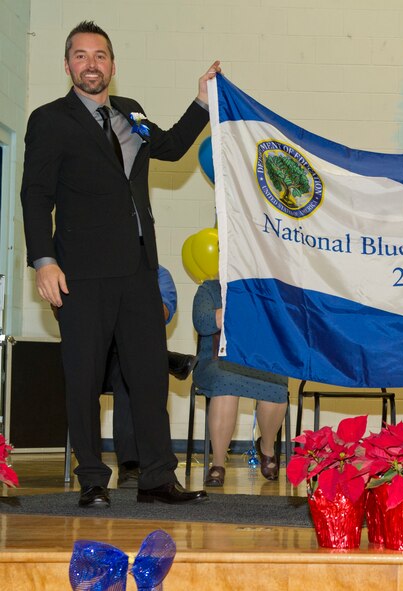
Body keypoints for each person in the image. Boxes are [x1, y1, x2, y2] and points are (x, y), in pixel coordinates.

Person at [20, 20, 220, 508]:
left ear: (113, 64)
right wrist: (43, 260)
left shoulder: (131, 113)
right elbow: (34, 196)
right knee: (84, 378)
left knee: (150, 377)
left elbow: (170, 148)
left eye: (101, 55)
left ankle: (156, 478)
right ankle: (92, 478)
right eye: (82, 56)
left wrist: (201, 101)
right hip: (80, 275)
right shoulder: (49, 120)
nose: (92, 64)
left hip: (138, 272)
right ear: (68, 66)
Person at [192, 280, 290, 487]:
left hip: (258, 360)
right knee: (226, 382)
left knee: (276, 383)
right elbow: (203, 322)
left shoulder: (267, 289)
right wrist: (241, 306)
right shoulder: (210, 289)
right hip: (217, 361)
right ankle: (218, 463)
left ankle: (267, 447)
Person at [110, 265, 197, 488]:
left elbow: (162, 315)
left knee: (130, 370)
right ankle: (169, 360)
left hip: (130, 358)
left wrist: (138, 289)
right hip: (99, 358)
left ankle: (131, 465)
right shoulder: (103, 270)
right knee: (134, 360)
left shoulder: (159, 274)